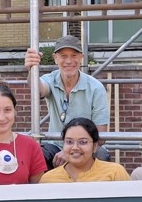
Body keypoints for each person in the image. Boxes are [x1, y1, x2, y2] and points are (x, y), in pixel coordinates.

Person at [24, 35, 110, 167]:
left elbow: (100, 133)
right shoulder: (51, 79)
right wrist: (32, 69)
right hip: (55, 146)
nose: (69, 61)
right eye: (63, 56)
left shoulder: (96, 88)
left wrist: (71, 150)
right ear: (55, 58)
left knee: (102, 155)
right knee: (37, 155)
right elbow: (38, 89)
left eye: (74, 55)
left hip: (85, 146)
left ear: (81, 57)